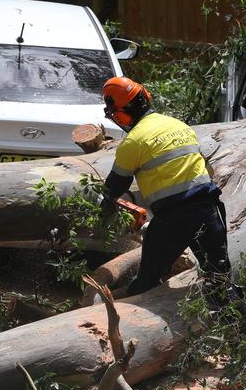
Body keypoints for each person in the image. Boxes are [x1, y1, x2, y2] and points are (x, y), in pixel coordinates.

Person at [100, 76, 233, 298]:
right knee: (220, 278)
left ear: (121, 113)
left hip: (173, 219)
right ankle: (239, 328)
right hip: (209, 210)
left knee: (147, 282)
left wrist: (104, 206)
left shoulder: (134, 141)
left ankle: (128, 322)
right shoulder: (178, 125)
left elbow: (116, 184)